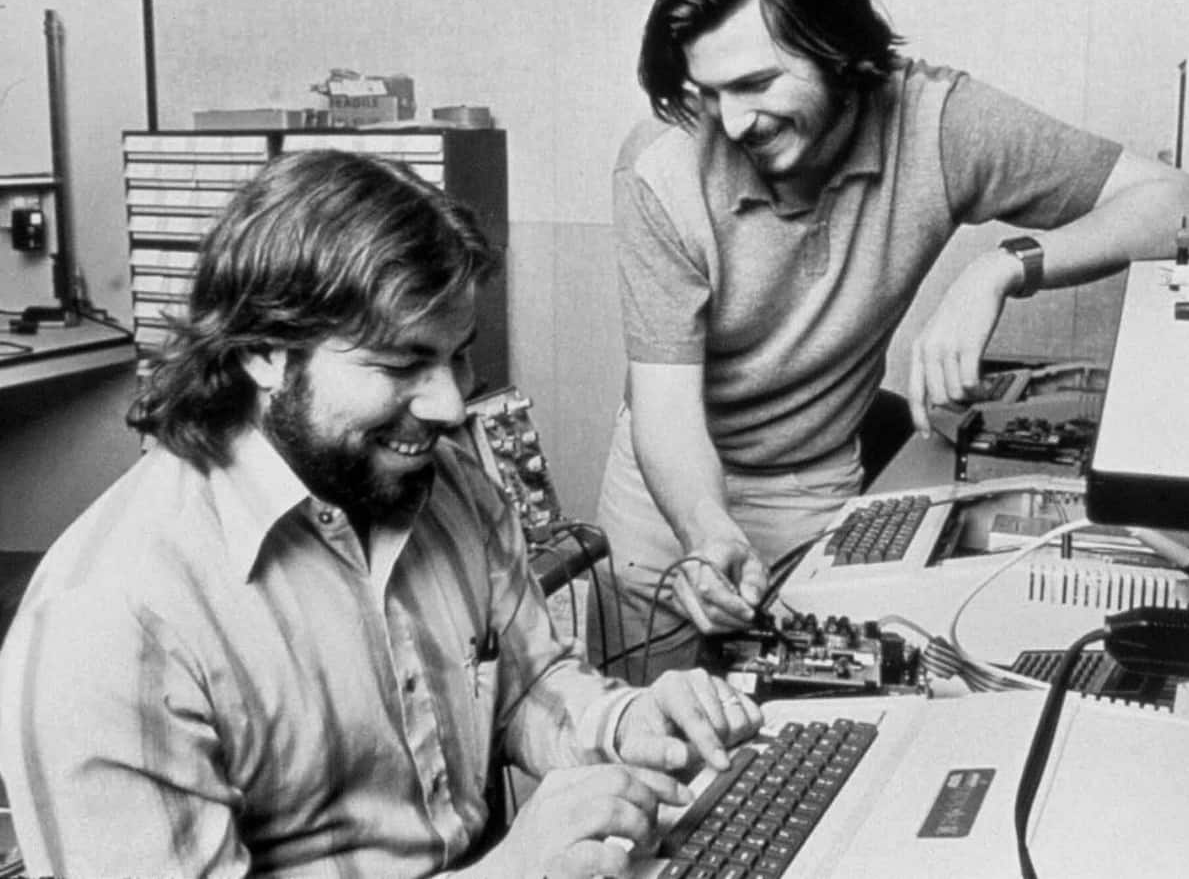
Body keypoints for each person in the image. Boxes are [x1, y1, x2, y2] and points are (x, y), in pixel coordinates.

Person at [0, 150, 762, 879]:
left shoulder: (444, 481)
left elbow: (527, 687)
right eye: (401, 366)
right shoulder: (108, 625)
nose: (451, 405)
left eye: (457, 354)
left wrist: (630, 726)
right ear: (264, 352)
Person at [587, 0, 1189, 682]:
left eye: (756, 84)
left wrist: (1000, 269)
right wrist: (704, 528)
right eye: (709, 92)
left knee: (789, 732)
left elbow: (1187, 206)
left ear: (837, 48)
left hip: (813, 487)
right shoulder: (659, 164)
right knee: (649, 746)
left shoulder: (940, 124)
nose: (732, 123)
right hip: (669, 501)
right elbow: (665, 412)